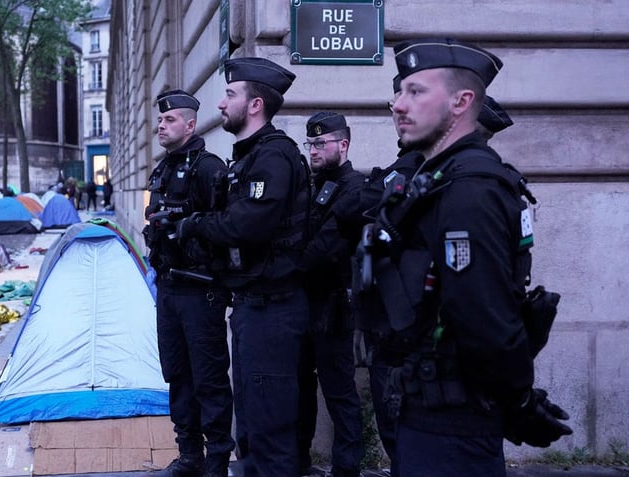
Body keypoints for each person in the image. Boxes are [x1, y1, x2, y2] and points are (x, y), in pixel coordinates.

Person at [358, 38, 572, 476]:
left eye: (416, 91)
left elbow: (483, 317)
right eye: (400, 92)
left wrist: (519, 400)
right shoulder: (435, 178)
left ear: (462, 101)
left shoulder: (470, 188)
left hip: (454, 424)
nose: (399, 104)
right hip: (427, 410)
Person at [177, 57, 311, 477]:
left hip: (275, 308)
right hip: (254, 306)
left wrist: (197, 224)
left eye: (230, 94)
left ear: (255, 105)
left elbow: (250, 223)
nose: (220, 104)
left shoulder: (274, 156)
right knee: (252, 424)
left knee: (270, 428)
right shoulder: (250, 156)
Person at [143, 89, 234, 477]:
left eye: (170, 120)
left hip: (201, 289)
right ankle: (189, 455)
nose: (161, 126)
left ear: (191, 125)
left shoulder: (208, 168)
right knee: (177, 373)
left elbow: (227, 227)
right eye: (160, 121)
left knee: (208, 378)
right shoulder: (163, 169)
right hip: (169, 288)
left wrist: (188, 230)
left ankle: (217, 461)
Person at [296, 113, 365, 477]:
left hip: (335, 307)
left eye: (321, 143)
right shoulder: (310, 186)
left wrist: (291, 264)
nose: (314, 150)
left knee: (340, 395)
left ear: (343, 144)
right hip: (304, 304)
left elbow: (326, 246)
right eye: (311, 144)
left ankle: (346, 469)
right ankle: (300, 463)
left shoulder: (355, 186)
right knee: (301, 389)